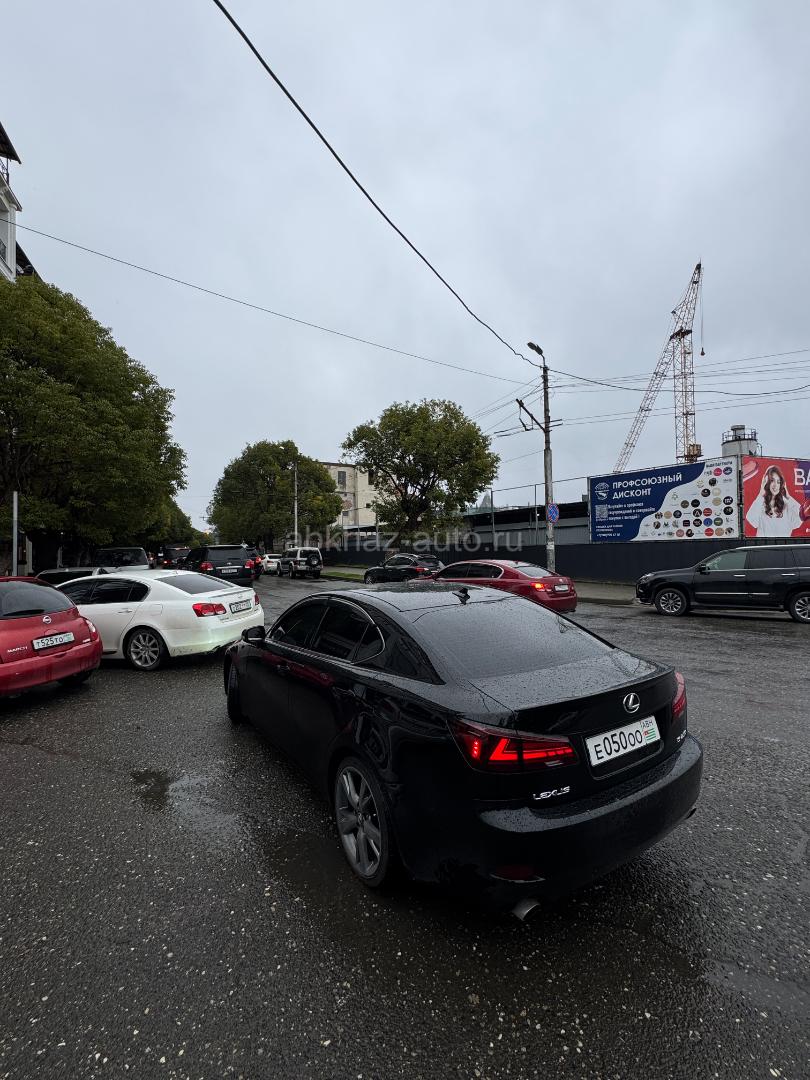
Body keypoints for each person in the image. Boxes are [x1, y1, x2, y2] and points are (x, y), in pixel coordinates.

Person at [745, 464, 802, 537]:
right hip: (763, 544)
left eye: (778, 482)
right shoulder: (760, 504)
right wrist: (761, 494)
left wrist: (788, 497)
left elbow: (800, 517)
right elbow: (751, 519)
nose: (775, 485)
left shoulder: (787, 505)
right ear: (766, 482)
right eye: (772, 480)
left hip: (783, 544)